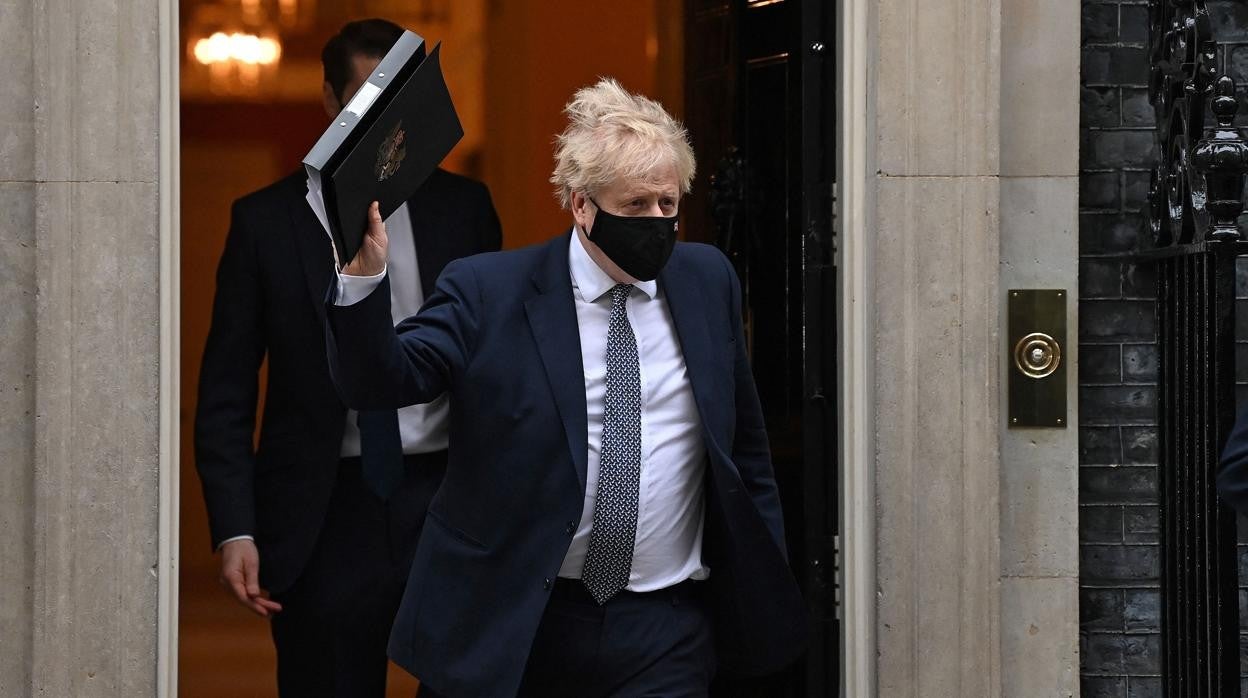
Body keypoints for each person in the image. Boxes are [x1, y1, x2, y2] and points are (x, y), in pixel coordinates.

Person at [324, 77, 806, 697]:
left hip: (665, 627)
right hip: (520, 618)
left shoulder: (708, 280)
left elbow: (744, 449)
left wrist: (765, 572)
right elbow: (380, 380)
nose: (658, 223)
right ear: (581, 205)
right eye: (636, 206)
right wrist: (364, 285)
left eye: (668, 205)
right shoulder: (487, 291)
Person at [193, 18, 501, 697]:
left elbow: (498, 363)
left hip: (445, 500)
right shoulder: (265, 222)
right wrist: (235, 528)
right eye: (362, 99)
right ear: (330, 103)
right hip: (322, 511)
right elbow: (225, 392)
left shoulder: (466, 208)